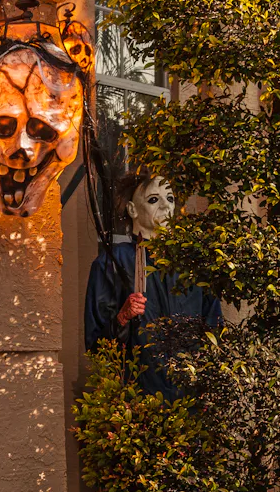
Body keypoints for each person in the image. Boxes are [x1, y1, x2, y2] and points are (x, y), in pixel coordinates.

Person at [84, 171, 222, 399]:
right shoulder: (112, 263)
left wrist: (209, 389)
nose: (166, 206)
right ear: (132, 210)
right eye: (153, 199)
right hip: (137, 399)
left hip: (190, 399)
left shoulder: (193, 264)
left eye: (170, 199)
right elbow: (96, 346)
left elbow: (214, 328)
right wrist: (123, 317)